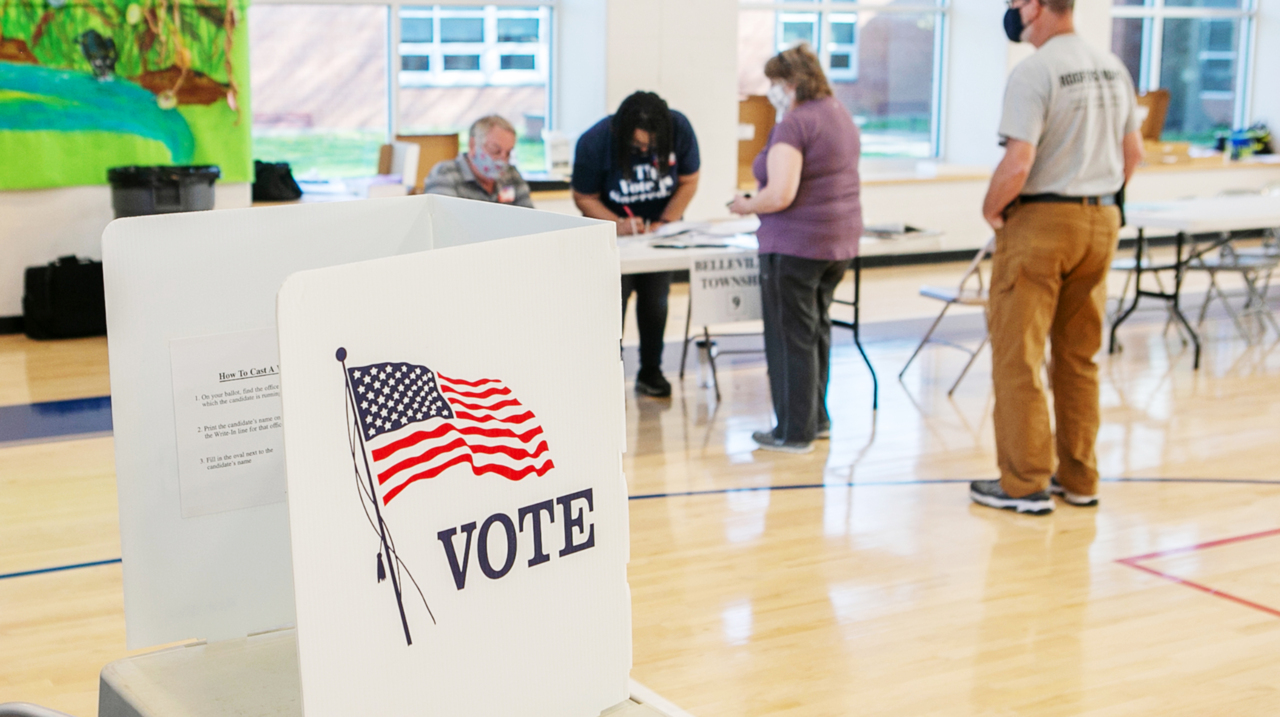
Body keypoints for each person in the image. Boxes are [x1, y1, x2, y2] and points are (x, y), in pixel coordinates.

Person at [968, 0, 1143, 514]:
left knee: (1018, 355)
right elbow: (1134, 155)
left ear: (1038, 6)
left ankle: (1024, 483)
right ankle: (1080, 477)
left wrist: (991, 208)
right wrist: (1099, 198)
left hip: (1043, 222)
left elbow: (1018, 162)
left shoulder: (1035, 71)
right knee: (1078, 354)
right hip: (1103, 221)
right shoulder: (1114, 67)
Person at [729, 45, 862, 454]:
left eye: (775, 83)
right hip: (836, 245)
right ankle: (816, 420)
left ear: (792, 83)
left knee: (791, 340)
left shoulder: (795, 124)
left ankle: (793, 431)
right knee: (817, 330)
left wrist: (746, 204)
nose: (772, 91)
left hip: (795, 247)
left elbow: (781, 193)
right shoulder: (839, 114)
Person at [572, 91, 701, 398]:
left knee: (656, 301)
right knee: (614, 303)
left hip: (657, 236)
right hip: (614, 237)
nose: (644, 150)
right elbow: (584, 197)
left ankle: (650, 370)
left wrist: (666, 222)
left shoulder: (679, 129)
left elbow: (689, 180)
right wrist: (618, 224)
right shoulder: (595, 141)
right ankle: (608, 373)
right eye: (638, 146)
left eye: (651, 146)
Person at [423, 115, 534, 208]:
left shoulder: (511, 175)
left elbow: (531, 220)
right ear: (472, 145)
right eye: (495, 150)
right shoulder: (445, 174)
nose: (503, 159)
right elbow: (443, 223)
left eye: (508, 153)